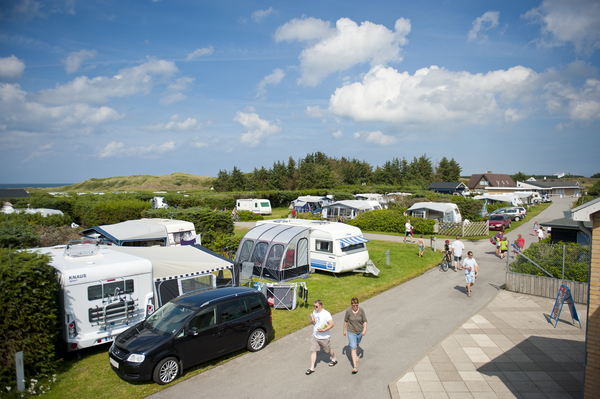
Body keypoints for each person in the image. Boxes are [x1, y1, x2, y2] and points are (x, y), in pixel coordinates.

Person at [307, 299, 337, 375]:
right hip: (315, 336)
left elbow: (332, 324)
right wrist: (312, 322)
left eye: (316, 306)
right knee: (313, 350)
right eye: (314, 306)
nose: (315, 308)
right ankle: (312, 367)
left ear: (320, 306)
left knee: (328, 349)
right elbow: (315, 323)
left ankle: (334, 358)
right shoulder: (314, 312)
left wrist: (324, 330)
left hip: (324, 337)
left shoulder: (326, 314)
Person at [343, 297, 367, 374]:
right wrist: (344, 330)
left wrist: (365, 329)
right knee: (353, 347)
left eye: (356, 305)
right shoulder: (348, 311)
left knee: (357, 344)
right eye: (354, 305)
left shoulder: (361, 311)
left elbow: (365, 321)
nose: (355, 307)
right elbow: (346, 321)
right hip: (351, 331)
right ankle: (355, 367)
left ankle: (355, 354)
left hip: (359, 331)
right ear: (351, 305)